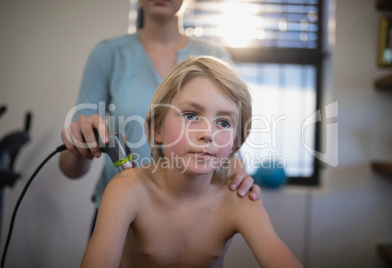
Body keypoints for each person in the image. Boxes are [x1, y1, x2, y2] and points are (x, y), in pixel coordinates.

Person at [80, 56, 302, 268]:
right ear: (157, 128)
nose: (208, 133)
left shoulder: (238, 200)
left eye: (224, 122)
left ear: (235, 143)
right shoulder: (127, 190)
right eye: (190, 115)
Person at [59, 0, 260, 219]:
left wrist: (240, 178)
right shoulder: (108, 55)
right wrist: (80, 141)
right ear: (155, 129)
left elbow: (230, 151)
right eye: (191, 115)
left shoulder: (215, 57)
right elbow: (71, 168)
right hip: (118, 213)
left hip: (195, 215)